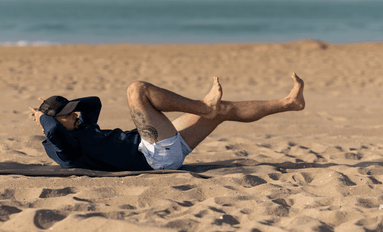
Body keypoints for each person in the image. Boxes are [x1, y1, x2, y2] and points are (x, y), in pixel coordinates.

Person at [29, 73, 305, 171]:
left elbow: (93, 102)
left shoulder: (80, 126)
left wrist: (59, 111)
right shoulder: (64, 146)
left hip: (158, 147)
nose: (76, 115)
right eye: (68, 114)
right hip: (154, 155)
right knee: (136, 89)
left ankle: (288, 104)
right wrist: (43, 117)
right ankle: (201, 106)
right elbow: (52, 130)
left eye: (73, 111)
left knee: (221, 110)